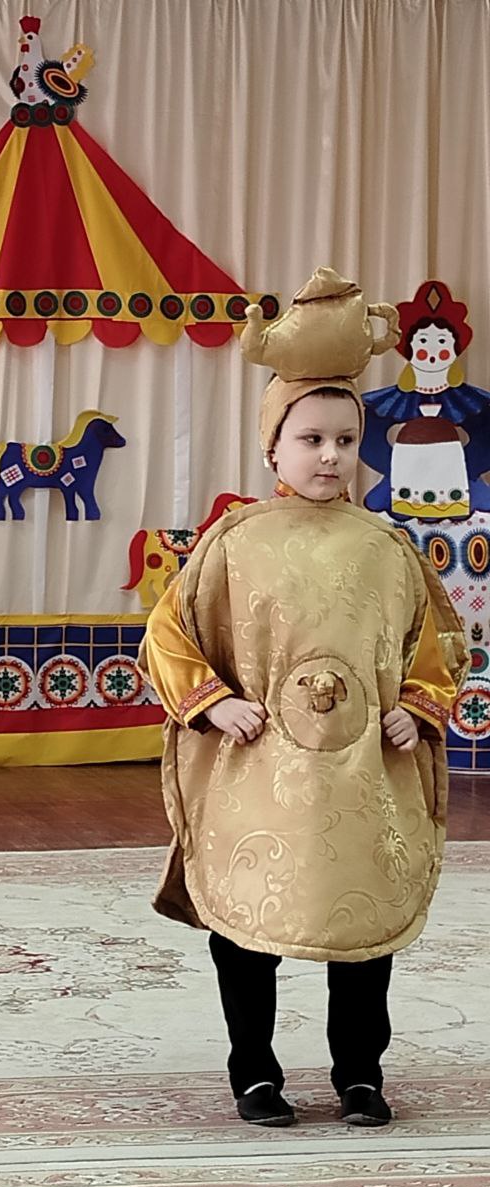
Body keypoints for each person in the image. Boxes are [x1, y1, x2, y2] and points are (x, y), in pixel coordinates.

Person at [139, 269, 468, 1129]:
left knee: (363, 929)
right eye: (310, 438)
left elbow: (437, 645)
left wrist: (418, 706)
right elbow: (169, 636)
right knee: (250, 923)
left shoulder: (387, 547)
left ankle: (360, 1072)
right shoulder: (234, 542)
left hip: (364, 773)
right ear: (272, 449)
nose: (329, 456)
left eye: (345, 440)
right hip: (259, 770)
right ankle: (254, 1070)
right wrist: (212, 702)